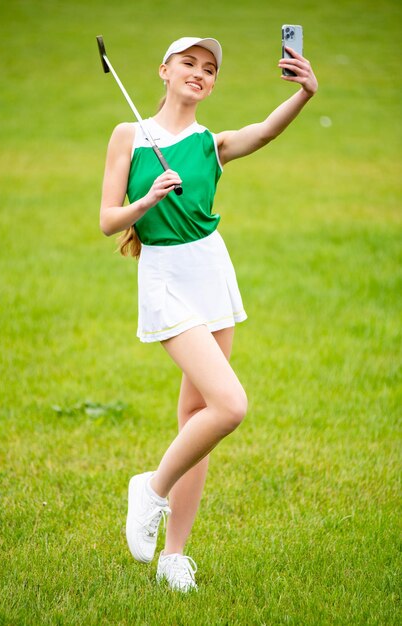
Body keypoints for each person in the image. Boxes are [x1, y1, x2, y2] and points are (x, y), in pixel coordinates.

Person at [100, 36, 318, 592]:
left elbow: (264, 131)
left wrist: (304, 95)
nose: (200, 73)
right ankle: (149, 490)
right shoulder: (130, 135)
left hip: (211, 274)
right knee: (230, 405)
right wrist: (147, 199)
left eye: (210, 69)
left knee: (198, 418)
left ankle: (174, 556)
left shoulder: (210, 144)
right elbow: (107, 219)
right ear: (164, 71)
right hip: (166, 278)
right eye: (189, 64)